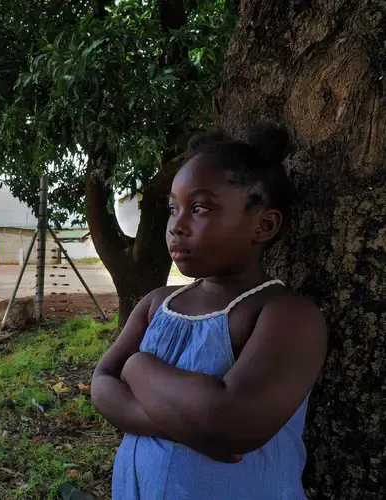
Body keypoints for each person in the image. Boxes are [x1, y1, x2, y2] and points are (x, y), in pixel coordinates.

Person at [91, 124, 328, 499]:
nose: (176, 226)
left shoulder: (285, 315)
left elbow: (231, 424)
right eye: (173, 208)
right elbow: (102, 384)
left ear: (264, 224)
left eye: (199, 208)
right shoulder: (156, 303)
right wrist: (186, 423)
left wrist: (138, 368)